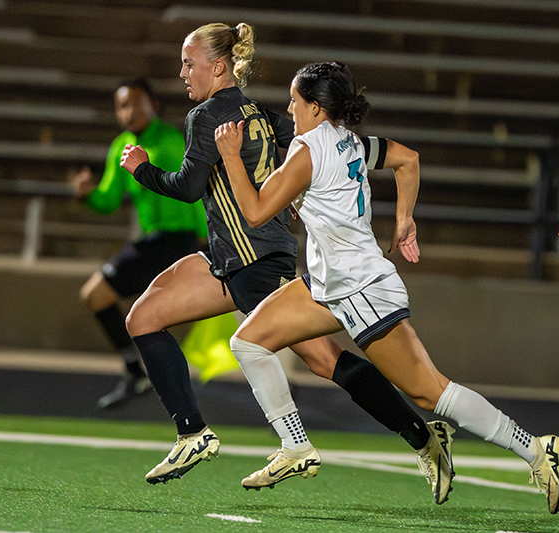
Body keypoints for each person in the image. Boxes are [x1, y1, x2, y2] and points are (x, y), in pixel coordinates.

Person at [120, 22, 454, 500]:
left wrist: (142, 169)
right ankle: (193, 433)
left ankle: (420, 437)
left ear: (217, 66)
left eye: (189, 63)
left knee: (326, 360)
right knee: (144, 316)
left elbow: (190, 189)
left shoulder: (207, 115)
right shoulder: (258, 111)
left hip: (253, 255)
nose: (182, 72)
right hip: (231, 253)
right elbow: (307, 137)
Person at [214, 61, 559, 513]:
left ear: (317, 108)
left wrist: (229, 155)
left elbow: (256, 211)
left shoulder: (306, 150)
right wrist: (405, 218)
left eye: (295, 101)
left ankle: (537, 450)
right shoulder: (353, 141)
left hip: (361, 288)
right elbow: (407, 159)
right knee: (249, 342)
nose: (290, 108)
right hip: (329, 285)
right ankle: (296, 446)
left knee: (430, 391)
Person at [71, 78, 207, 409]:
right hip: (155, 241)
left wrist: (207, 239)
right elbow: (109, 200)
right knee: (117, 305)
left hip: (178, 240)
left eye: (136, 102)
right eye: (122, 105)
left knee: (102, 297)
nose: (129, 111)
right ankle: (144, 375)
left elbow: (195, 190)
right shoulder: (121, 146)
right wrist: (88, 195)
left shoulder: (170, 141)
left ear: (154, 105)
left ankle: (140, 374)